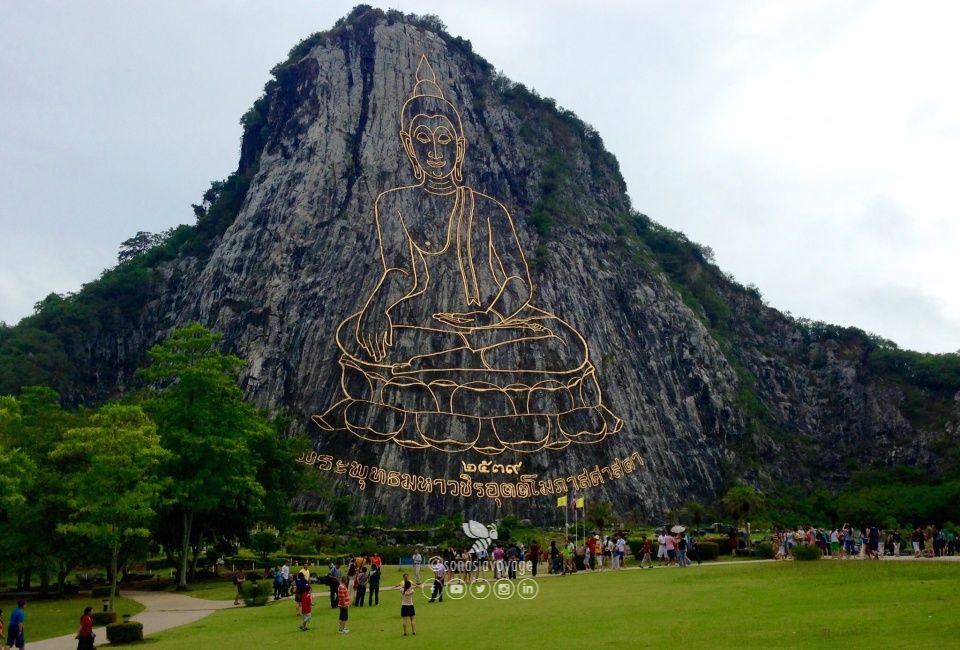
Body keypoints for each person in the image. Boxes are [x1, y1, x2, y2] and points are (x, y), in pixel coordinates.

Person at [314, 55, 622, 455]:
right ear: (408, 144)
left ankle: (431, 376)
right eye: (423, 140)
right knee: (366, 339)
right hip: (424, 323)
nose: (435, 153)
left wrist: (489, 317)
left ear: (459, 146)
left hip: (490, 326)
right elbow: (401, 270)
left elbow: (518, 281)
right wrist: (377, 306)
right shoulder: (394, 203)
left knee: (563, 346)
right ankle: (449, 374)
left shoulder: (488, 208)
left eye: (445, 140)